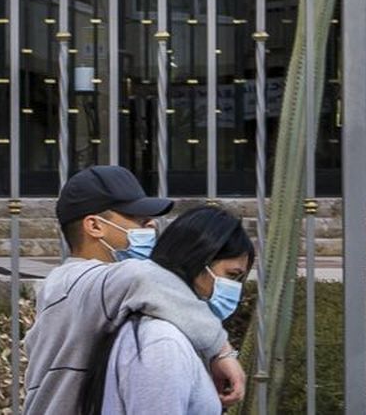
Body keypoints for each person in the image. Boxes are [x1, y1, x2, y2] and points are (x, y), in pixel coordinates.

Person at [22, 166, 245, 414]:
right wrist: (220, 350)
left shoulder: (70, 287)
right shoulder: (83, 282)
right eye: (137, 219)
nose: (150, 226)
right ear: (95, 226)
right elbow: (143, 279)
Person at [83, 206, 254, 415]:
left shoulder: (171, 334)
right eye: (231, 275)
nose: (236, 288)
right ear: (197, 260)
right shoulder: (163, 343)